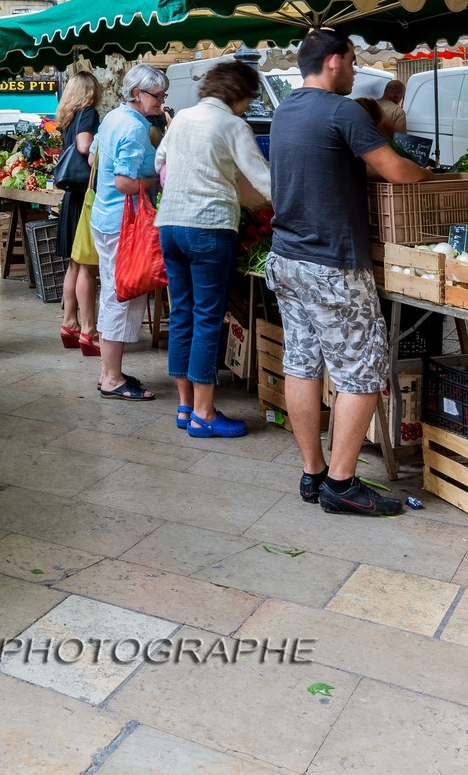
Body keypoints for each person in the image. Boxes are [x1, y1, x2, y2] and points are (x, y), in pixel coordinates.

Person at [265, 28, 430, 517]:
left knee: (302, 363)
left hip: (287, 257)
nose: (356, 71)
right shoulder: (341, 111)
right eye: (353, 61)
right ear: (334, 61)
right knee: (361, 371)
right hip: (332, 263)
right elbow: (396, 171)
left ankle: (314, 473)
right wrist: (433, 176)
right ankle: (342, 483)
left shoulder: (285, 110)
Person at [155, 61, 272, 438]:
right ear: (238, 94)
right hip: (208, 227)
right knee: (208, 319)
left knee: (183, 315)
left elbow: (161, 163)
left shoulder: (183, 118)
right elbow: (265, 181)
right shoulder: (233, 125)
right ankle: (205, 415)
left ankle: (186, 406)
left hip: (170, 225)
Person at [90, 65, 170, 401]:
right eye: (157, 95)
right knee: (121, 296)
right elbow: (123, 181)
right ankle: (110, 378)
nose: (161, 101)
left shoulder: (114, 116)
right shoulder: (135, 128)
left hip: (107, 218)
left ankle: (111, 371)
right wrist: (156, 179)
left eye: (163, 95)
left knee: (115, 291)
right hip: (123, 224)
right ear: (136, 93)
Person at [53, 72, 101, 353]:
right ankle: (89, 331)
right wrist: (99, 150)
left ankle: (69, 324)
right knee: (86, 266)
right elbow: (85, 148)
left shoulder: (69, 116)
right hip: (85, 194)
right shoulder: (88, 113)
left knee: (74, 263)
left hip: (72, 195)